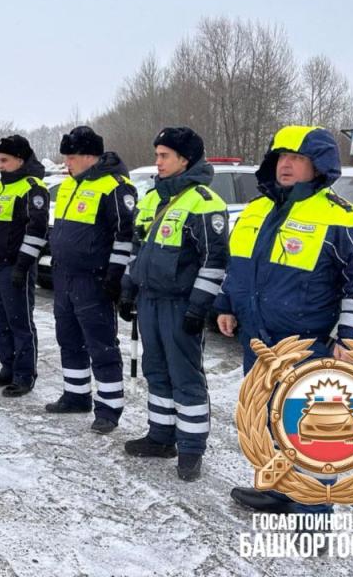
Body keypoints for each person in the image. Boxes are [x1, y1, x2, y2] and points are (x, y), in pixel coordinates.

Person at [215, 126, 353, 513]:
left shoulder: (341, 217)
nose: (285, 165)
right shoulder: (256, 210)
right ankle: (279, 489)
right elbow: (237, 265)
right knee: (269, 419)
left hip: (311, 345)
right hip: (258, 341)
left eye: (297, 158)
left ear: (318, 165)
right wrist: (225, 303)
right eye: (281, 157)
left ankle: (312, 511)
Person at [118, 127, 227, 481]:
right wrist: (127, 288)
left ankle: (191, 448)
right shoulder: (151, 198)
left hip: (181, 304)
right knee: (156, 370)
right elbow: (137, 250)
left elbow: (214, 261)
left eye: (165, 155)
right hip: (150, 300)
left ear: (185, 159)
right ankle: (161, 436)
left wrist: (199, 307)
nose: (158, 161)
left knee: (185, 376)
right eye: (157, 154)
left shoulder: (204, 202)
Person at [45, 126, 136, 434]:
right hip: (65, 276)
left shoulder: (115, 187)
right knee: (68, 339)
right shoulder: (71, 185)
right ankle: (76, 395)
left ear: (88, 156)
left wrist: (115, 276)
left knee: (101, 345)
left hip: (94, 280)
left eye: (70, 157)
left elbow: (125, 236)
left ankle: (109, 409)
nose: (66, 163)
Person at [0, 135, 48, 397]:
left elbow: (37, 231)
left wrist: (23, 265)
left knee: (20, 323)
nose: (0, 166)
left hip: (14, 267)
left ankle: (24, 374)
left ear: (20, 159)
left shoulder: (32, 188)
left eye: (5, 160)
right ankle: (8, 366)